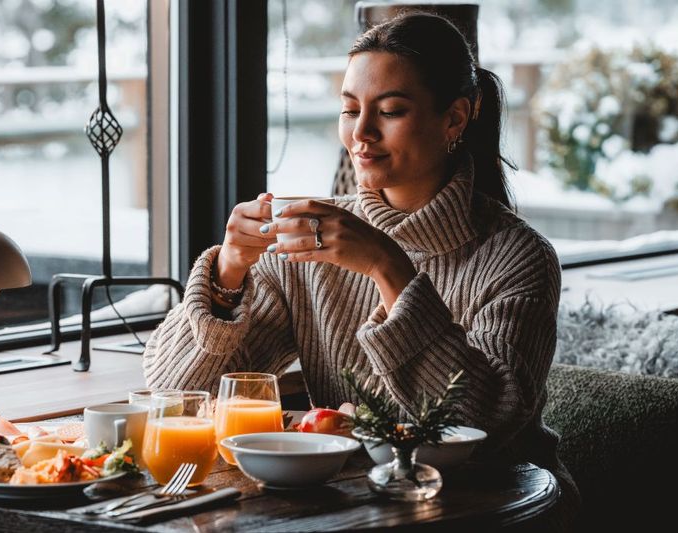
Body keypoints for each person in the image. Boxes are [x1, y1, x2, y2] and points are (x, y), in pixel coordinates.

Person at [144, 12, 578, 530]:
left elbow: (483, 421)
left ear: (455, 119)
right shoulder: (310, 238)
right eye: (350, 110)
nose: (362, 133)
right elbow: (172, 392)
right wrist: (229, 272)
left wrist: (388, 267)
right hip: (360, 512)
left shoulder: (517, 257)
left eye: (390, 110)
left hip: (500, 511)